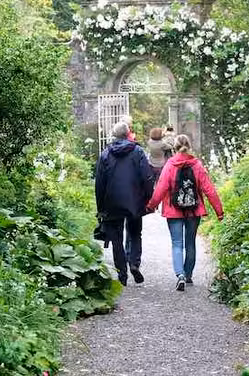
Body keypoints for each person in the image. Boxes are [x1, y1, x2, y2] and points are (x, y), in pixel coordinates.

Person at [146, 134, 224, 291]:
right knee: (190, 243)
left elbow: (161, 187)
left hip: (173, 210)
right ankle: (188, 275)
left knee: (177, 243)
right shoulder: (197, 165)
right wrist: (219, 211)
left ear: (174, 148)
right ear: (189, 146)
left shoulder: (170, 165)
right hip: (193, 210)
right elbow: (209, 189)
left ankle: (180, 275)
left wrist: (151, 206)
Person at [95, 121, 154, 285]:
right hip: (135, 200)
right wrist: (147, 198)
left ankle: (122, 274)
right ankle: (134, 263)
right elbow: (147, 177)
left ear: (114, 135)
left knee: (116, 239)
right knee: (135, 233)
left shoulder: (105, 154)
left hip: (111, 202)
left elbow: (99, 183)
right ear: (128, 134)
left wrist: (101, 208)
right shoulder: (137, 151)